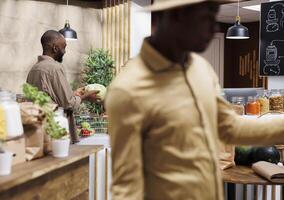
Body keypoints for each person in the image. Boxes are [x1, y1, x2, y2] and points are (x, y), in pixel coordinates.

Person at [105, 1, 284, 200]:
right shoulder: (128, 89)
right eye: (205, 16)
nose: (214, 27)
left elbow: (229, 127)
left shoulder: (201, 68)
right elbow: (127, 185)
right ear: (172, 17)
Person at [27, 30, 99, 110]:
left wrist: (73, 94)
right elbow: (68, 104)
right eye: (63, 47)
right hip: (54, 120)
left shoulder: (33, 69)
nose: (64, 52)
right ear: (55, 48)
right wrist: (85, 97)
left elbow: (51, 97)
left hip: (40, 120)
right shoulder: (54, 68)